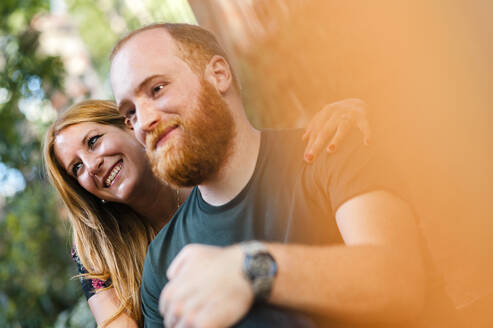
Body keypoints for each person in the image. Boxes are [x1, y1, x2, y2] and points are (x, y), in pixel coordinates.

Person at [107, 23, 462, 328]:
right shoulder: (161, 263)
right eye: (130, 113)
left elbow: (399, 279)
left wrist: (253, 268)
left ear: (218, 75)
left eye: (156, 89)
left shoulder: (330, 148)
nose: (145, 120)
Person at [43, 96, 370, 326]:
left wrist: (343, 115)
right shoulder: (95, 247)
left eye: (94, 141)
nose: (92, 164)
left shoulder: (202, 169)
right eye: (77, 169)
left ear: (130, 126)